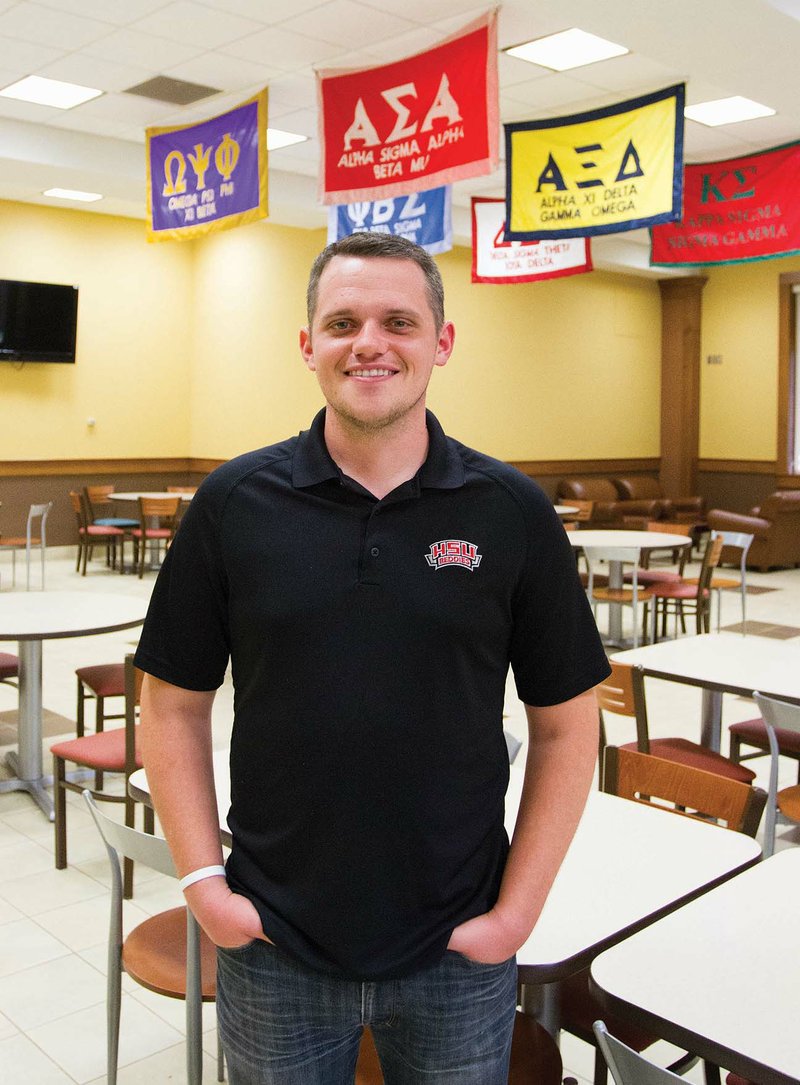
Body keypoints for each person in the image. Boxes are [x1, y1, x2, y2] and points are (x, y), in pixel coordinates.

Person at [136, 232, 610, 1084]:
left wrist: (516, 914)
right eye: (344, 320)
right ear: (308, 343)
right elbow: (172, 705)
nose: (371, 342)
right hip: (273, 941)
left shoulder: (510, 511)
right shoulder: (234, 504)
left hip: (458, 951)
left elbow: (569, 729)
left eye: (399, 320)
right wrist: (205, 882)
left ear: (443, 341)